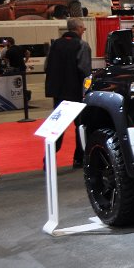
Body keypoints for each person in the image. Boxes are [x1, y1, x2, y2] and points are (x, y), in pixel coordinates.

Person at [44, 18, 92, 168]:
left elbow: (46, 66)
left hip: (58, 92)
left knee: (57, 126)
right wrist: (87, 91)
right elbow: (85, 70)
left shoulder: (55, 45)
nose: (84, 31)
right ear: (78, 28)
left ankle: (48, 158)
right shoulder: (82, 45)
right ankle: (79, 158)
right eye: (83, 28)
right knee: (81, 126)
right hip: (75, 92)